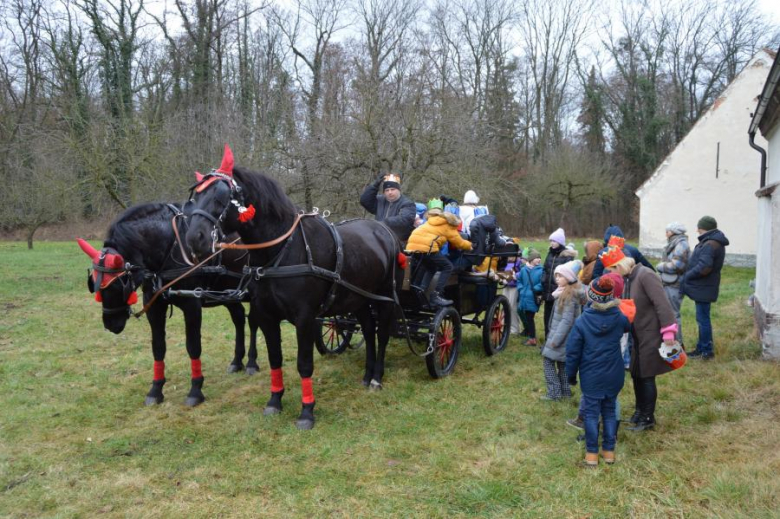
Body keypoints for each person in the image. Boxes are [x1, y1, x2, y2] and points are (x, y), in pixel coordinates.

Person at [600, 246, 677, 432]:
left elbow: (662, 303)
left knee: (646, 376)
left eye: (612, 271)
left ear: (619, 266)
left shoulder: (645, 275)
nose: (612, 275)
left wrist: (668, 331)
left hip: (651, 334)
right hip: (637, 334)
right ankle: (639, 412)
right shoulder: (629, 278)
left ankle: (648, 418)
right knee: (636, 373)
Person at [566, 276, 630, 466]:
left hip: (591, 374)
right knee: (610, 410)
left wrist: (571, 375)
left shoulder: (582, 321)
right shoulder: (619, 317)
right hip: (614, 373)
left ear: (591, 297)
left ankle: (591, 455)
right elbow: (628, 326)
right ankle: (609, 452)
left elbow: (572, 352)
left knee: (592, 414)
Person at [680, 216, 730, 360]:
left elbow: (705, 267)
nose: (697, 231)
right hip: (705, 286)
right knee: (702, 318)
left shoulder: (710, 244)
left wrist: (688, 275)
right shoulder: (712, 242)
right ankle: (701, 348)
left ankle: (706, 351)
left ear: (704, 228)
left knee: (703, 320)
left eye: (699, 228)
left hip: (705, 286)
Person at [406, 204, 473, 307]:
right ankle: (436, 295)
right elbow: (459, 243)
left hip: (412, 246)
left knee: (431, 267)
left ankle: (419, 293)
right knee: (448, 266)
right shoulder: (448, 225)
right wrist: (471, 246)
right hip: (427, 248)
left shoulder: (432, 221)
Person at [540, 260, 584, 401]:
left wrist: (555, 340)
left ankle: (554, 392)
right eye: (556, 275)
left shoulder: (569, 296)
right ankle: (565, 391)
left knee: (548, 361)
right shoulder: (563, 292)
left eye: (560, 276)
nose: (557, 278)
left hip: (562, 337)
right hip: (564, 336)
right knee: (562, 363)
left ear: (569, 278)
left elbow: (566, 320)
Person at [656, 222, 690, 346]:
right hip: (670, 282)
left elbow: (677, 265)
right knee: (670, 312)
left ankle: (678, 343)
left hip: (675, 284)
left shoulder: (681, 244)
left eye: (667, 230)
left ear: (674, 232)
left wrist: (661, 266)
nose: (666, 233)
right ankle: (672, 340)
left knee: (674, 313)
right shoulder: (675, 243)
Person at [360, 172, 416, 243]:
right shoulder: (380, 200)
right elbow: (364, 200)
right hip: (379, 238)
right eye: (387, 190)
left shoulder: (408, 204)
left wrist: (384, 223)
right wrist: (374, 186)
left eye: (392, 189)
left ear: (398, 190)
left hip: (398, 242)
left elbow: (404, 220)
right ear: (384, 192)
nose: (390, 192)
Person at [541, 228, 578, 338]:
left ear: (560, 242)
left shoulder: (567, 257)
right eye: (551, 241)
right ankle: (547, 337)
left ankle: (555, 339)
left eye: (554, 241)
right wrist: (543, 280)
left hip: (560, 291)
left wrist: (560, 285)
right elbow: (545, 269)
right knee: (547, 316)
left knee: (557, 317)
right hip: (548, 291)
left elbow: (569, 275)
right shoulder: (550, 254)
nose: (552, 243)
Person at [516, 249, 543, 346]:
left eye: (539, 258)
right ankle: (531, 335)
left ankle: (532, 338)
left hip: (532, 297)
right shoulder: (523, 270)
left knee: (529, 318)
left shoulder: (541, 270)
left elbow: (542, 283)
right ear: (531, 259)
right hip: (524, 296)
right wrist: (521, 289)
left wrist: (535, 289)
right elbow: (519, 281)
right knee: (528, 317)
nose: (539, 260)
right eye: (536, 258)